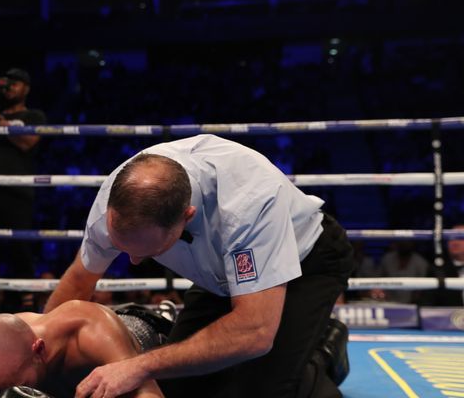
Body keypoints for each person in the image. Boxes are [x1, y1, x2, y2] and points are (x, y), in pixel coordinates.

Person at [44, 134, 354, 398]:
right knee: (173, 386)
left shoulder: (246, 204)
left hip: (305, 262)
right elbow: (79, 282)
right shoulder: (118, 200)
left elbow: (254, 332)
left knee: (257, 389)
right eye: (122, 246)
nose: (133, 260)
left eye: (148, 251)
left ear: (186, 218)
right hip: (218, 278)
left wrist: (138, 364)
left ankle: (324, 350)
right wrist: (38, 350)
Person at [0, 300, 170, 398]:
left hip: (150, 331)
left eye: (19, 384)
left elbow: (149, 392)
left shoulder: (91, 332)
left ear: (39, 350)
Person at [0, 68, 46, 312]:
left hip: (19, 190)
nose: (10, 87)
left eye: (16, 83)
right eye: (7, 83)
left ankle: (23, 307)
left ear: (26, 87)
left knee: (20, 249)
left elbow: (28, 143)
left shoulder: (34, 115)